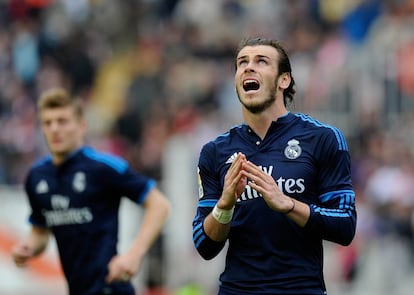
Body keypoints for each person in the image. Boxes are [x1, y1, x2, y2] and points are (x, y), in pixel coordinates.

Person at [192, 37, 357, 295]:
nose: (248, 67)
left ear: (284, 80)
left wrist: (288, 204)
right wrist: (224, 205)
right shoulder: (214, 151)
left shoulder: (322, 138)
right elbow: (204, 245)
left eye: (261, 61)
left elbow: (345, 225)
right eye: (242, 62)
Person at [12, 87, 171, 295]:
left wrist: (134, 254)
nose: (54, 129)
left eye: (62, 121)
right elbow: (40, 231)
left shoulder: (102, 167)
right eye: (47, 123)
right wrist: (28, 248)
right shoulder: (37, 176)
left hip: (111, 287)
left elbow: (159, 205)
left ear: (81, 125)